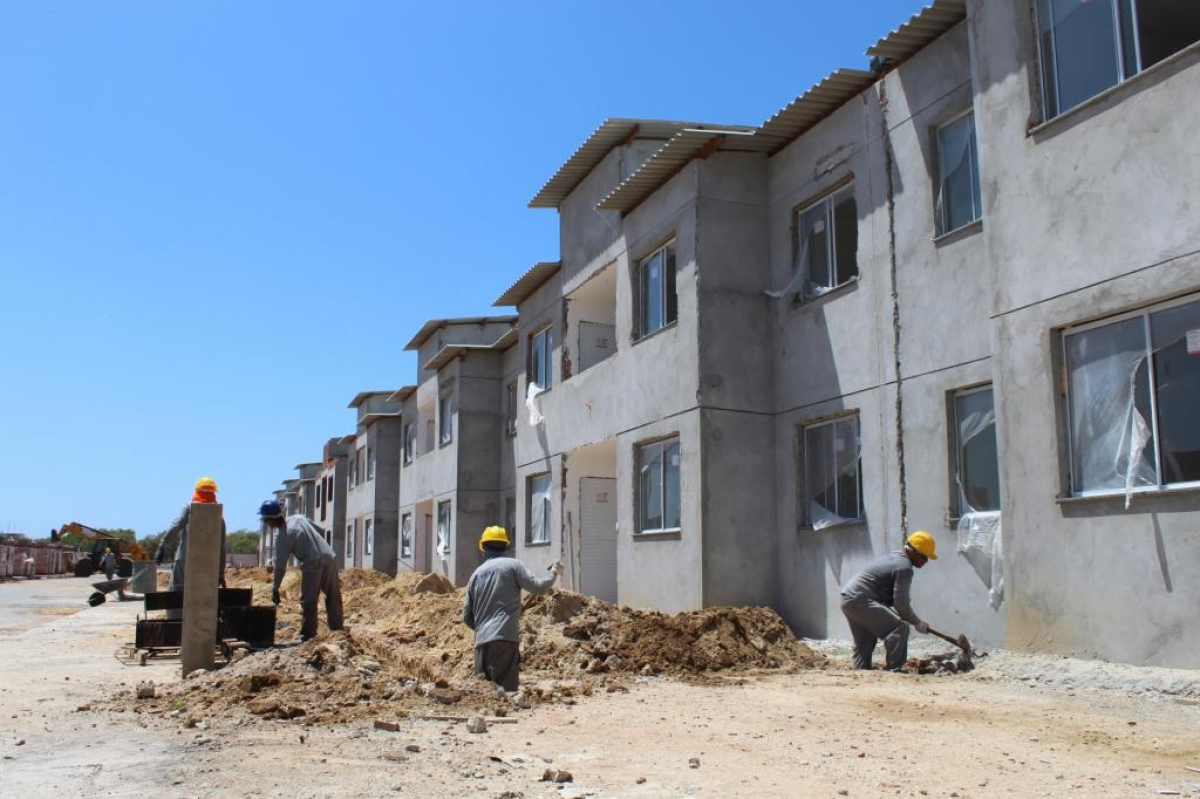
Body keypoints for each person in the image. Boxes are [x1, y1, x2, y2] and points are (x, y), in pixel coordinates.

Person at [462, 526, 561, 692]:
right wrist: (554, 572)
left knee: (484, 697)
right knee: (506, 697)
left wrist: (482, 629)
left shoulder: (476, 575)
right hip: (505, 640)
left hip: (481, 645)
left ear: (483, 548)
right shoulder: (514, 565)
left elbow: (466, 616)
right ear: (506, 547)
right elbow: (539, 587)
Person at [839, 530, 938, 672]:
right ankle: (894, 672)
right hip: (860, 599)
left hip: (848, 599)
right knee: (899, 628)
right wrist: (917, 622)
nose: (926, 561)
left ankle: (860, 674)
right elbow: (901, 604)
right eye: (924, 557)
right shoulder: (904, 567)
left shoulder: (895, 556)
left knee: (865, 640)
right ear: (913, 551)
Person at [258, 500, 343, 642]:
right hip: (329, 556)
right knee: (333, 595)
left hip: (312, 563)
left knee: (309, 600)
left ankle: (308, 634)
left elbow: (280, 566)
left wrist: (275, 587)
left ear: (270, 520)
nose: (267, 524)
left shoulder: (283, 536)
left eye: (266, 520)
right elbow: (320, 530)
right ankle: (337, 629)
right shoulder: (298, 518)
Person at [155, 477, 228, 618]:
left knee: (176, 593)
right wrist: (220, 572)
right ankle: (200, 627)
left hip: (184, 560)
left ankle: (176, 625)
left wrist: (162, 546)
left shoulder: (189, 508)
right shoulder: (219, 516)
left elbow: (175, 526)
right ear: (214, 493)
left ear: (197, 491)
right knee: (202, 596)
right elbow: (221, 547)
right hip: (208, 564)